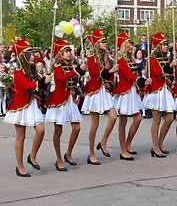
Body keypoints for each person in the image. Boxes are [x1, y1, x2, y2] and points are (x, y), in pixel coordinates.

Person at [4, 39, 51, 177]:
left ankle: (32, 156)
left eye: (33, 54)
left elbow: (36, 87)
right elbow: (27, 85)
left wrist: (45, 83)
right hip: (21, 105)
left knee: (41, 130)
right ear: (22, 56)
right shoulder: (18, 72)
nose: (33, 56)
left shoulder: (33, 71)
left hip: (32, 103)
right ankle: (20, 166)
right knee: (21, 137)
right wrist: (41, 81)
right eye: (29, 54)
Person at [45, 38, 86, 171]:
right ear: (60, 54)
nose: (69, 53)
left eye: (70, 51)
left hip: (70, 98)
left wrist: (80, 72)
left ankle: (68, 153)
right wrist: (76, 70)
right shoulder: (57, 66)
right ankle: (59, 158)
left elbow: (72, 81)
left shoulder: (71, 66)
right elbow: (62, 78)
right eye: (66, 51)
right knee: (58, 130)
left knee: (77, 128)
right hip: (59, 98)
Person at [82, 30, 118, 165]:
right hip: (95, 91)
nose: (105, 43)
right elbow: (96, 72)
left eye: (105, 41)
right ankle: (91, 153)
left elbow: (109, 74)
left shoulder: (107, 57)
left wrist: (112, 73)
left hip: (105, 90)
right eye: (102, 41)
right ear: (97, 43)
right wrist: (109, 71)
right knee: (95, 124)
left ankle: (103, 142)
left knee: (113, 117)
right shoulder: (91, 57)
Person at [114, 33, 151, 160]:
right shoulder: (121, 60)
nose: (131, 47)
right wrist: (142, 81)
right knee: (123, 121)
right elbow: (129, 75)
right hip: (124, 91)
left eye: (131, 45)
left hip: (132, 90)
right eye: (129, 45)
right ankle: (122, 149)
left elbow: (134, 73)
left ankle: (128, 143)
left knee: (138, 118)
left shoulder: (131, 59)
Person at [144, 32, 176, 157]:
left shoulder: (166, 58)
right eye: (164, 45)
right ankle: (155, 146)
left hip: (165, 89)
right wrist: (170, 66)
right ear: (158, 46)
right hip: (156, 91)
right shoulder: (152, 59)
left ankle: (160, 142)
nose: (166, 47)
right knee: (156, 120)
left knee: (170, 118)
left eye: (167, 45)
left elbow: (167, 74)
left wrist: (169, 77)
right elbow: (158, 72)